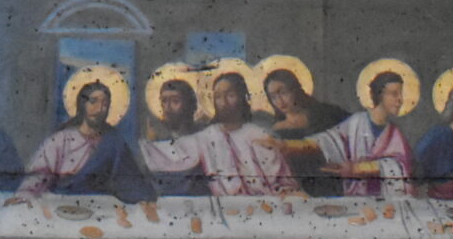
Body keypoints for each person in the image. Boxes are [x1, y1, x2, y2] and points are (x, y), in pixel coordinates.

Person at [16, 78, 156, 200]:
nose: (99, 109)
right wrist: (24, 196)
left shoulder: (114, 141)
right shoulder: (61, 140)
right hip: (62, 204)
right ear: (82, 104)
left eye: (105, 104)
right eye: (93, 101)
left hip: (102, 206)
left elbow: (131, 180)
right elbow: (38, 175)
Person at [299, 69, 414, 198]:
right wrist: (295, 145)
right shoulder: (357, 122)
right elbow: (329, 140)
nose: (400, 100)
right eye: (394, 94)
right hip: (356, 196)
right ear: (379, 95)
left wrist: (357, 169)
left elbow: (402, 167)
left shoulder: (396, 134)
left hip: (384, 199)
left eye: (401, 94)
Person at [189, 68, 299, 197]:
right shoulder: (206, 137)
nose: (223, 103)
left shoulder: (259, 135)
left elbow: (284, 182)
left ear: (243, 97)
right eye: (218, 97)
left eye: (230, 95)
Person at [262, 66, 350, 198]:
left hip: (338, 180)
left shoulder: (327, 113)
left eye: (283, 92)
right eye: (273, 97)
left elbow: (352, 132)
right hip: (303, 188)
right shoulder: (277, 130)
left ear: (295, 89)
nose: (279, 101)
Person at [136, 76, 207, 195]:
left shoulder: (203, 137)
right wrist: (152, 144)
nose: (167, 108)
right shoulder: (158, 140)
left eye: (175, 101)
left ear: (189, 104)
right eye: (164, 101)